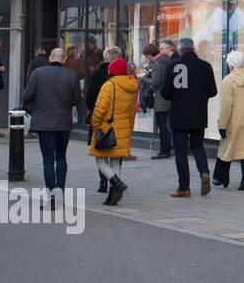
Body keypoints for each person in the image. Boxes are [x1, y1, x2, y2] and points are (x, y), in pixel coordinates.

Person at [22, 47, 82, 209]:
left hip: (44, 123)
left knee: (48, 160)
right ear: (63, 59)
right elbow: (77, 99)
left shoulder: (38, 73)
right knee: (61, 158)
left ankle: (52, 197)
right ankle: (60, 194)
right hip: (63, 123)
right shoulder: (72, 75)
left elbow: (27, 96)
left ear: (50, 58)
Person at [160, 37, 218, 198]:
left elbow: (165, 93)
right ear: (193, 50)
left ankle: (184, 187)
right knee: (197, 145)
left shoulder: (172, 65)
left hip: (179, 115)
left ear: (179, 50)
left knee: (181, 152)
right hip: (199, 114)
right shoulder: (205, 66)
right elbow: (213, 92)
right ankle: (204, 172)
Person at [88, 57, 139, 206]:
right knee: (116, 159)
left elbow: (100, 108)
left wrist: (95, 124)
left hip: (107, 127)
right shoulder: (131, 86)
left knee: (100, 159)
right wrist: (129, 127)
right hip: (122, 127)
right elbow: (131, 111)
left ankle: (116, 183)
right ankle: (113, 196)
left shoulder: (109, 85)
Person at [213, 50, 244, 191]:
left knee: (226, 148)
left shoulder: (228, 80)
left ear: (231, 65)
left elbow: (226, 106)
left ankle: (221, 177)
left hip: (233, 120)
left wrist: (222, 124)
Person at [145, 42, 177, 160]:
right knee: (167, 125)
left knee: (162, 125)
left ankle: (164, 150)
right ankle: (169, 148)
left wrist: (142, 77)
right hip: (170, 98)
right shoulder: (169, 62)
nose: (160, 49)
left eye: (162, 48)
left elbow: (155, 82)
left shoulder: (158, 64)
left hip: (161, 98)